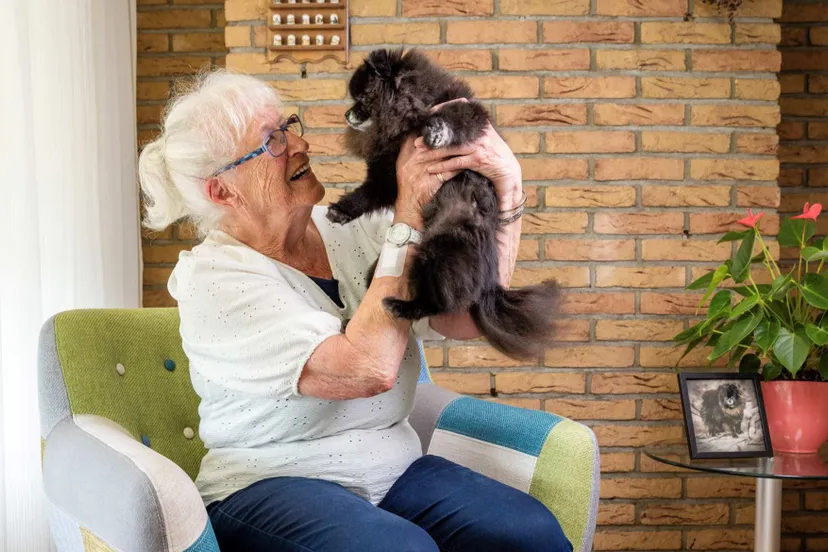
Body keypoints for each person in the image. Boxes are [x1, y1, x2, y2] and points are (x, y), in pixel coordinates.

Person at [138, 69, 572, 552]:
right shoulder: (214, 280)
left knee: (531, 534)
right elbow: (366, 369)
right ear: (222, 191)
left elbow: (466, 316)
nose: (299, 143)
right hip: (271, 483)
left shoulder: (353, 227)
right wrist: (409, 214)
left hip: (392, 470)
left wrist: (508, 188)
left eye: (288, 126)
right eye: (271, 141)